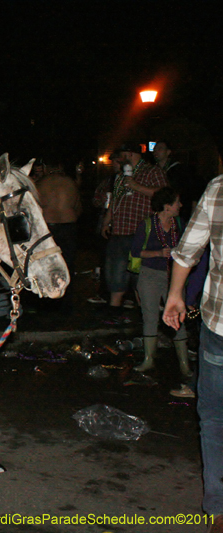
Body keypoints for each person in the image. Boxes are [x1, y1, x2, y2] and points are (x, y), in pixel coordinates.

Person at [163, 175, 223, 530]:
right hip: (217, 326)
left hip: (220, 325)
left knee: (215, 418)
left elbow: (188, 251)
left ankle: (219, 508)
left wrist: (175, 295)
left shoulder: (219, 188)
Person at [100, 142, 168, 322]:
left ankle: (147, 317)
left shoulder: (152, 171)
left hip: (141, 233)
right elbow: (115, 200)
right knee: (116, 273)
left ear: (130, 154)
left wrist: (136, 186)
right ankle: (114, 312)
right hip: (119, 230)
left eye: (122, 155)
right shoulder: (121, 174)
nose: (119, 159)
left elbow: (163, 194)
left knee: (141, 276)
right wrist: (107, 222)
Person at [129, 187, 188, 374]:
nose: (180, 205)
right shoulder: (147, 224)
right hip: (150, 275)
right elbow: (135, 251)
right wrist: (158, 253)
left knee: (178, 318)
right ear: (167, 206)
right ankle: (149, 360)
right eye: (177, 202)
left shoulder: (179, 224)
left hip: (173, 277)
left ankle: (184, 364)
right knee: (150, 318)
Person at [36, 158, 82, 274]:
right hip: (68, 226)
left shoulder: (40, 184)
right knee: (68, 262)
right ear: (61, 167)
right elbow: (78, 207)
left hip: (48, 227)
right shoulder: (71, 183)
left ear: (45, 168)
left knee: (48, 262)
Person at [153, 140, 204, 222]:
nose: (156, 151)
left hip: (180, 212)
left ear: (168, 152)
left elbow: (192, 193)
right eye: (155, 149)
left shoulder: (179, 170)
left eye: (160, 149)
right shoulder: (154, 171)